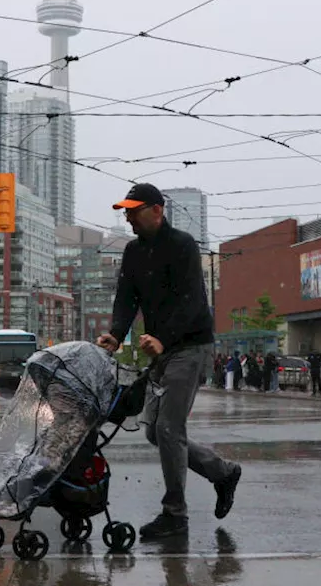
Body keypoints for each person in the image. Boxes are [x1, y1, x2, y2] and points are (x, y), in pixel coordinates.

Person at [97, 183, 242, 540]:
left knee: (168, 429)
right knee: (153, 430)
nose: (128, 217)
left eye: (134, 210)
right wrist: (116, 334)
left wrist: (164, 338)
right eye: (125, 212)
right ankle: (223, 473)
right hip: (159, 349)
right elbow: (126, 298)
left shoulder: (182, 245)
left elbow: (193, 301)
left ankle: (174, 514)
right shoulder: (132, 251)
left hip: (189, 346)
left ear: (157, 210)